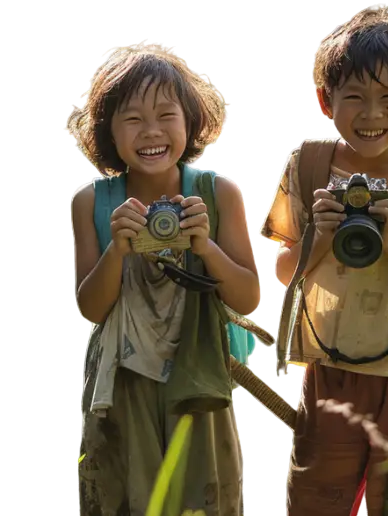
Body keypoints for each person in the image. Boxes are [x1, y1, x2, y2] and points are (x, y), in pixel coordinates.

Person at [259, 5, 388, 516]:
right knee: (315, 502)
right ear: (324, 99)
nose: (371, 114)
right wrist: (322, 236)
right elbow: (286, 271)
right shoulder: (306, 164)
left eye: (387, 98)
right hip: (331, 367)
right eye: (353, 97)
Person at [68, 41, 260, 515]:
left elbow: (249, 299)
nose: (151, 132)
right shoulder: (90, 201)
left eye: (165, 115)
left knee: (205, 500)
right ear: (107, 131)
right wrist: (118, 248)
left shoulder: (219, 194)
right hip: (123, 386)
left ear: (191, 121)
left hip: (200, 379)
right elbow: (91, 308)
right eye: (132, 118)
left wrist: (205, 246)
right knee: (125, 500)